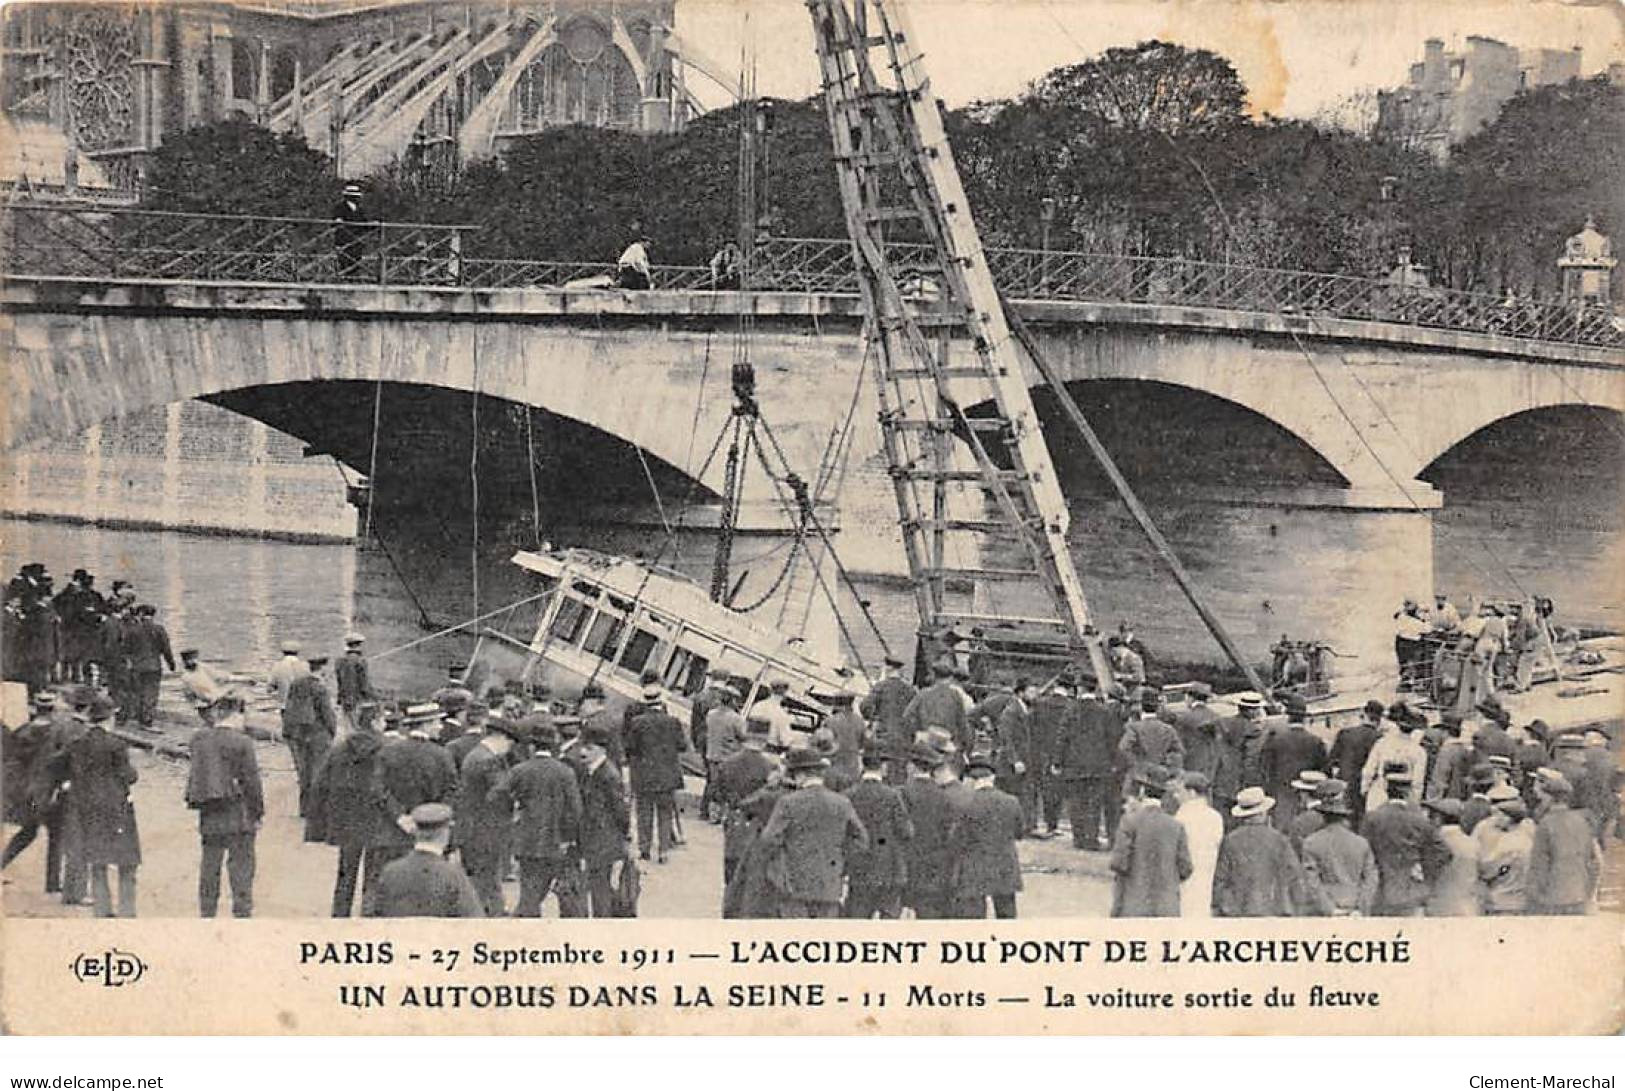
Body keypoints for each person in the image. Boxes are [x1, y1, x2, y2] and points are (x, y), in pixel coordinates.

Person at [307, 699, 404, 917]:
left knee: (345, 873)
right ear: (375, 722)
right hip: (376, 819)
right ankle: (367, 916)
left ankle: (339, 914)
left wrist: (320, 821)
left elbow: (320, 783)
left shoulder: (340, 748)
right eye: (382, 720)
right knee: (373, 873)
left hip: (347, 820)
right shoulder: (388, 749)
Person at [757, 747, 868, 919]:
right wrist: (840, 860)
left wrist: (780, 861)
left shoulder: (788, 802)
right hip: (829, 884)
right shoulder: (842, 802)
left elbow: (768, 839)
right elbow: (861, 839)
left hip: (794, 883)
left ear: (799, 775)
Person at [184, 694, 264, 918]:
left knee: (210, 863)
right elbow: (252, 781)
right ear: (237, 714)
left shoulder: (199, 739)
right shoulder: (242, 742)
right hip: (239, 812)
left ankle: (207, 910)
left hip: (209, 811)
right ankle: (241, 910)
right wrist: (258, 812)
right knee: (241, 865)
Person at [65, 695, 140, 917]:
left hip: (89, 808)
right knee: (126, 861)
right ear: (109, 718)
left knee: (98, 861)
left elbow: (65, 768)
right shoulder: (117, 745)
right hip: (117, 808)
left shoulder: (77, 744)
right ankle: (126, 910)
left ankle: (102, 909)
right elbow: (129, 776)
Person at [499, 718, 583, 918]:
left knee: (530, 895)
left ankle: (528, 931)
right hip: (558, 843)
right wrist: (569, 838)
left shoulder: (519, 770)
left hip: (528, 843)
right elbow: (575, 809)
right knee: (567, 895)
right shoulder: (565, 772)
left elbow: (499, 797)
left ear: (531, 746)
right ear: (553, 744)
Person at [1360, 764, 1450, 917]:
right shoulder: (1419, 819)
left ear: (1386, 790)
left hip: (1379, 891)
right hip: (1411, 891)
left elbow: (1362, 850)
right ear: (1408, 792)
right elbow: (1444, 852)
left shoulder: (1372, 818)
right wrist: (1425, 873)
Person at [367, 803, 484, 918]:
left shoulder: (390, 872)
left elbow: (372, 916)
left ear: (416, 832)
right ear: (445, 834)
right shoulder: (453, 875)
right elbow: (475, 922)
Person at [456, 715, 522, 916]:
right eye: (509, 743)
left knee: (484, 878)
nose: (509, 748)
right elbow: (500, 793)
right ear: (501, 737)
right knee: (486, 879)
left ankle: (493, 910)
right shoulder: (488, 761)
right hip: (486, 830)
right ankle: (492, 915)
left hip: (474, 828)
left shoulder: (476, 755)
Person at [1110, 765, 1193, 918]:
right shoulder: (1176, 826)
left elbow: (1118, 862)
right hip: (1167, 908)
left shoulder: (1130, 821)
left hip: (1133, 905)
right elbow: (1186, 868)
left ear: (1142, 791)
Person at [1, 694, 65, 889]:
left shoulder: (22, 732)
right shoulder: (56, 734)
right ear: (52, 710)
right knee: (56, 835)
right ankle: (52, 882)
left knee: (28, 832)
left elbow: (11, 763)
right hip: (48, 792)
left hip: (27, 792)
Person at [949, 750, 1023, 919]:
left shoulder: (965, 803)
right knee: (1007, 916)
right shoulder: (1011, 801)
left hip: (975, 868)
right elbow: (1019, 833)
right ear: (992, 777)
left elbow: (957, 839)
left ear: (972, 780)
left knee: (974, 920)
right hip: (1005, 866)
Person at [842, 747, 913, 919]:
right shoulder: (892, 795)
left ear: (861, 765)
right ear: (883, 767)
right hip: (887, 869)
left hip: (858, 868)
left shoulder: (849, 795)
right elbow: (906, 831)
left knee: (857, 921)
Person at [713, 716, 778, 904]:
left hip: (733, 818)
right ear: (765, 738)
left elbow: (717, 794)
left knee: (731, 865)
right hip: (758, 823)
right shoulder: (770, 767)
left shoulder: (728, 763)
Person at [625, 676, 688, 863]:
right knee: (665, 813)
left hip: (644, 774)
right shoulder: (673, 722)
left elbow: (630, 747)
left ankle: (644, 849)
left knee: (644, 812)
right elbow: (682, 746)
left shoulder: (637, 723)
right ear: (661, 701)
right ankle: (663, 851)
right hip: (668, 775)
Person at [1052, 684, 1122, 850]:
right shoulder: (1104, 711)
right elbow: (1111, 739)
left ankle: (1078, 838)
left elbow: (1062, 737)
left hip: (1074, 764)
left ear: (1081, 689)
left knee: (1076, 802)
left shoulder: (1071, 710)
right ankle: (1091, 839)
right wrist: (1113, 762)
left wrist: (1057, 761)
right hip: (1099, 765)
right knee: (1094, 803)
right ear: (1095, 690)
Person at [1212, 787, 1300, 917]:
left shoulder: (1230, 840)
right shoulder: (1279, 839)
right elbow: (1294, 874)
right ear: (1263, 812)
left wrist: (1226, 906)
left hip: (1239, 911)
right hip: (1274, 909)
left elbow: (1220, 879)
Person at [1525, 769, 1601, 915]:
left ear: (1550, 798)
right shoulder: (1582, 821)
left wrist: (1534, 897)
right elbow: (1594, 861)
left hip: (1552, 899)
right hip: (1580, 895)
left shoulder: (1546, 824)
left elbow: (1539, 865)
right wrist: (1589, 891)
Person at [575, 724, 632, 918]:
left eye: (589, 748)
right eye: (583, 747)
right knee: (598, 886)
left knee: (600, 888)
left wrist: (622, 836)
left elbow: (620, 811)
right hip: (595, 839)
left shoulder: (608, 775)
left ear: (601, 750)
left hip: (603, 840)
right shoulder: (591, 771)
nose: (583, 752)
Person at [1298, 789, 1378, 916]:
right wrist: (1360, 908)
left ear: (1323, 816)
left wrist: (1329, 909)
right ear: (1345, 818)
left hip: (1323, 911)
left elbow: (1311, 881)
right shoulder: (1361, 843)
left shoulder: (1311, 843)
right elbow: (1371, 879)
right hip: (1354, 906)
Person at [900, 743, 956, 919]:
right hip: (936, 864)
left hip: (910, 863)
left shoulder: (903, 793)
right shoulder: (943, 795)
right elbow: (949, 831)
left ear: (911, 766)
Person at [1260, 698, 1327, 830]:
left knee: (1282, 831)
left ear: (1288, 717)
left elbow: (1264, 767)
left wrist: (1269, 791)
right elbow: (1324, 770)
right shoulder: (1316, 741)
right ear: (1304, 719)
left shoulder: (1275, 739)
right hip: (1308, 795)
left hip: (1281, 795)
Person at [282, 655, 336, 818]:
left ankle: (304, 808)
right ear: (322, 669)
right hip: (318, 734)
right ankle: (317, 809)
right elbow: (327, 713)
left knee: (303, 772)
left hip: (298, 734)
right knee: (318, 770)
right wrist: (332, 731)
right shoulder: (320, 688)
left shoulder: (296, 684)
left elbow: (288, 706)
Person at [1172, 771, 1223, 918]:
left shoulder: (1182, 816)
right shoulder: (1215, 817)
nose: (1176, 796)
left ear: (1192, 793)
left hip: (1185, 875)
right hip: (1208, 873)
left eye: (1180, 791)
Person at [1475, 789, 1534, 915]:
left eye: (1499, 815)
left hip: (1502, 899)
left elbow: (1489, 870)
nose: (1496, 819)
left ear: (1508, 818)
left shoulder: (1507, 843)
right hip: (1523, 897)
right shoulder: (1528, 834)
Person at [860, 656, 917, 785]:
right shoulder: (910, 690)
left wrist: (874, 717)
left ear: (887, 668)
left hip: (884, 737)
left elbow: (865, 707)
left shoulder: (880, 687)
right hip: (904, 739)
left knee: (884, 771)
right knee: (900, 774)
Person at [992, 679, 1037, 834]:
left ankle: (1023, 826)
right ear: (1020, 692)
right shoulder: (1011, 712)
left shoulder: (1025, 710)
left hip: (1023, 759)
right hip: (1011, 762)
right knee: (1012, 793)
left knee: (1022, 793)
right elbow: (1006, 738)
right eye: (1031, 692)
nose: (1034, 695)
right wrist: (1015, 760)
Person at [1422, 797, 1480, 917]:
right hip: (1467, 908)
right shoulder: (1473, 843)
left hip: (1438, 908)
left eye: (1431, 816)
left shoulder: (1432, 844)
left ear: (1438, 818)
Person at [121, 604, 174, 732]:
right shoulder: (159, 629)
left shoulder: (133, 630)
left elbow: (125, 648)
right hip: (154, 666)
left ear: (140, 614)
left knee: (137, 692)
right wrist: (171, 664)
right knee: (151, 693)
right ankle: (147, 721)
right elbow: (166, 648)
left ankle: (136, 717)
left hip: (137, 666)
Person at [1214, 693, 1265, 824]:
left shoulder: (1222, 722)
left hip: (1220, 778)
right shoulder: (1253, 730)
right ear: (1251, 710)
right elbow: (1251, 760)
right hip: (1240, 782)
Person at [1028, 681, 1071, 838]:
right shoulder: (1070, 706)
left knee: (1039, 787)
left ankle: (1038, 822)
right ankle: (1053, 823)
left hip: (1040, 751)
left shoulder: (1040, 704)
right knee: (1057, 789)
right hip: (1061, 753)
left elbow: (1031, 726)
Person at [1360, 709, 1425, 811]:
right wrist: (1415, 802)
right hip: (1404, 794)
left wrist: (1365, 788)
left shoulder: (1382, 743)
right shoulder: (1418, 751)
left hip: (1380, 791)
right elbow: (1418, 781)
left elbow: (1369, 770)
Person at [900, 661, 967, 752]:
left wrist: (914, 734)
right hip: (947, 741)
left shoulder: (923, 694)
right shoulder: (955, 695)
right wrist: (962, 743)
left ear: (934, 676)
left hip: (926, 739)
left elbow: (907, 717)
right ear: (950, 677)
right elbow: (962, 722)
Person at [819, 690, 866, 794]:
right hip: (853, 769)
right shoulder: (860, 721)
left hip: (835, 767)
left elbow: (822, 745)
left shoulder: (830, 721)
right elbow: (863, 744)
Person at [334, 633, 374, 731]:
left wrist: (340, 697)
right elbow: (364, 684)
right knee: (358, 726)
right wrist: (371, 696)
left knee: (347, 725)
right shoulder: (361, 661)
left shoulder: (340, 661)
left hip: (344, 698)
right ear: (359, 645)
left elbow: (339, 681)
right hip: (357, 698)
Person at [333, 182, 370, 280]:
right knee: (344, 260)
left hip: (357, 240)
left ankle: (353, 279)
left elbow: (364, 223)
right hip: (344, 239)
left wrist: (372, 225)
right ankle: (344, 278)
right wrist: (338, 220)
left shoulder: (359, 209)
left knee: (356, 260)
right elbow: (335, 220)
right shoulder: (340, 207)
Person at [269, 640, 306, 709]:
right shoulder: (304, 666)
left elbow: (270, 687)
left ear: (283, 652)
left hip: (284, 705)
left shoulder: (277, 666)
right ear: (297, 652)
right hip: (302, 705)